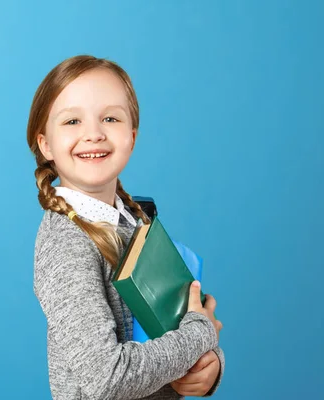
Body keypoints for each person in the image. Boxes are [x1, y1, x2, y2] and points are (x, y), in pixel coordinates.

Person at [26, 54, 225, 400]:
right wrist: (199, 335)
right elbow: (107, 378)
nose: (93, 133)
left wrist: (208, 366)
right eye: (72, 121)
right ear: (46, 144)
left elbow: (174, 326)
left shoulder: (134, 219)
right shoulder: (67, 244)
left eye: (110, 117)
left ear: (131, 136)